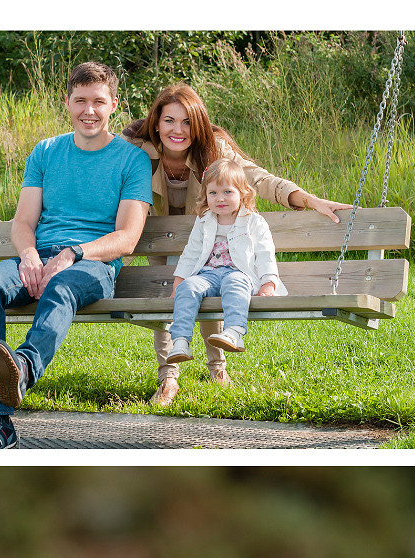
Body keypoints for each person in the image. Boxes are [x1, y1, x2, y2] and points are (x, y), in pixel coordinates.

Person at [119, 84, 348, 406]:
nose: (178, 130)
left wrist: (308, 199)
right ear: (156, 122)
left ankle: (217, 369)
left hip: (207, 227)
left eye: (187, 123)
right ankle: (168, 378)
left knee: (211, 291)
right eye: (169, 121)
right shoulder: (132, 148)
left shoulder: (214, 149)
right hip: (156, 231)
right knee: (172, 298)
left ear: (198, 125)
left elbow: (258, 179)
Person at [0, 61, 153, 449]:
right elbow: (22, 222)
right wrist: (30, 256)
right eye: (80, 100)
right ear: (67, 103)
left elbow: (127, 238)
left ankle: (24, 368)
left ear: (114, 105)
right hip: (40, 256)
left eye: (98, 102)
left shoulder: (131, 160)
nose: (89, 110)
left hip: (93, 264)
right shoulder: (46, 152)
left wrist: (72, 254)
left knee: (63, 285)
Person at [161, 160, 283, 379]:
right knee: (189, 287)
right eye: (213, 192)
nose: (220, 198)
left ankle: (234, 332)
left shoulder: (253, 221)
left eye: (228, 191)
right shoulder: (205, 221)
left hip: (239, 274)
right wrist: (178, 283)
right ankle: (180, 342)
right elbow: (190, 253)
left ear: (243, 193)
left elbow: (265, 254)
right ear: (205, 195)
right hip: (208, 275)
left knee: (234, 284)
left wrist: (268, 283)